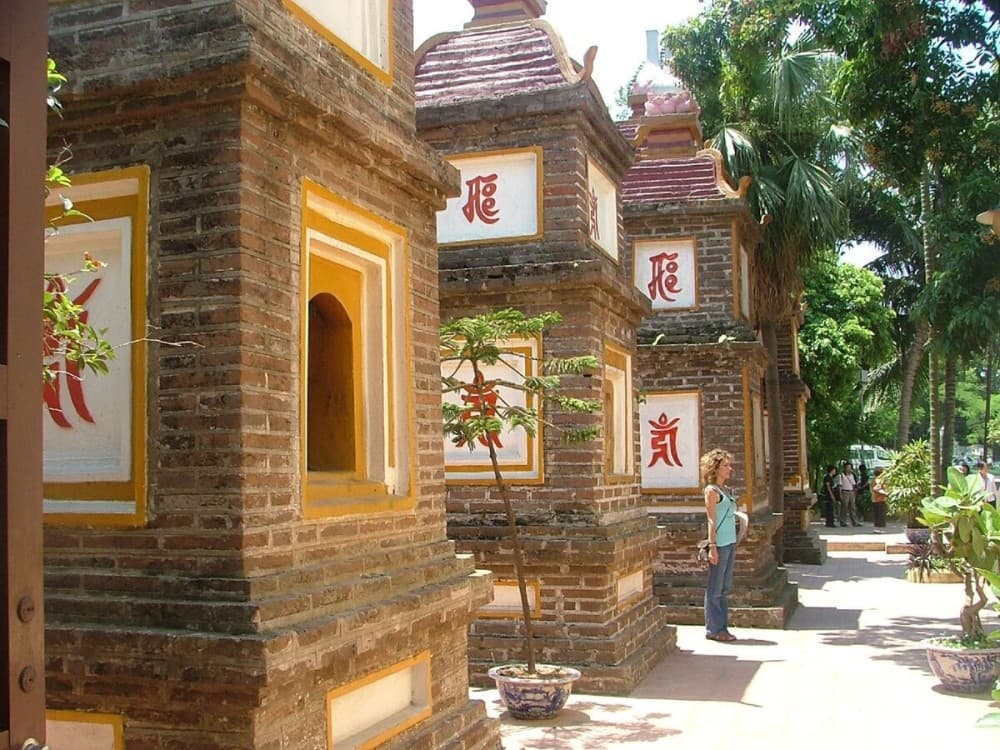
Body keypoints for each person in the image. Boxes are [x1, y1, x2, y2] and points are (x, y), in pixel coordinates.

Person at [701, 448, 739, 642]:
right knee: (715, 588)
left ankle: (723, 626)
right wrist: (712, 546)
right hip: (720, 544)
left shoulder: (726, 491)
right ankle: (713, 628)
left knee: (724, 588)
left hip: (730, 542)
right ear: (715, 468)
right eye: (725, 465)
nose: (729, 469)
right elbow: (711, 520)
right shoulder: (711, 491)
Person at [839, 461, 860, 527]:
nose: (849, 469)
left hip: (851, 491)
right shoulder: (842, 475)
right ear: (845, 468)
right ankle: (843, 522)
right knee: (844, 507)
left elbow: (854, 484)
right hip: (845, 491)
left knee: (852, 507)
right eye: (848, 467)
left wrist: (855, 492)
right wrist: (840, 494)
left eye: (850, 468)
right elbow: (840, 485)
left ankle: (854, 522)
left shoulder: (852, 475)